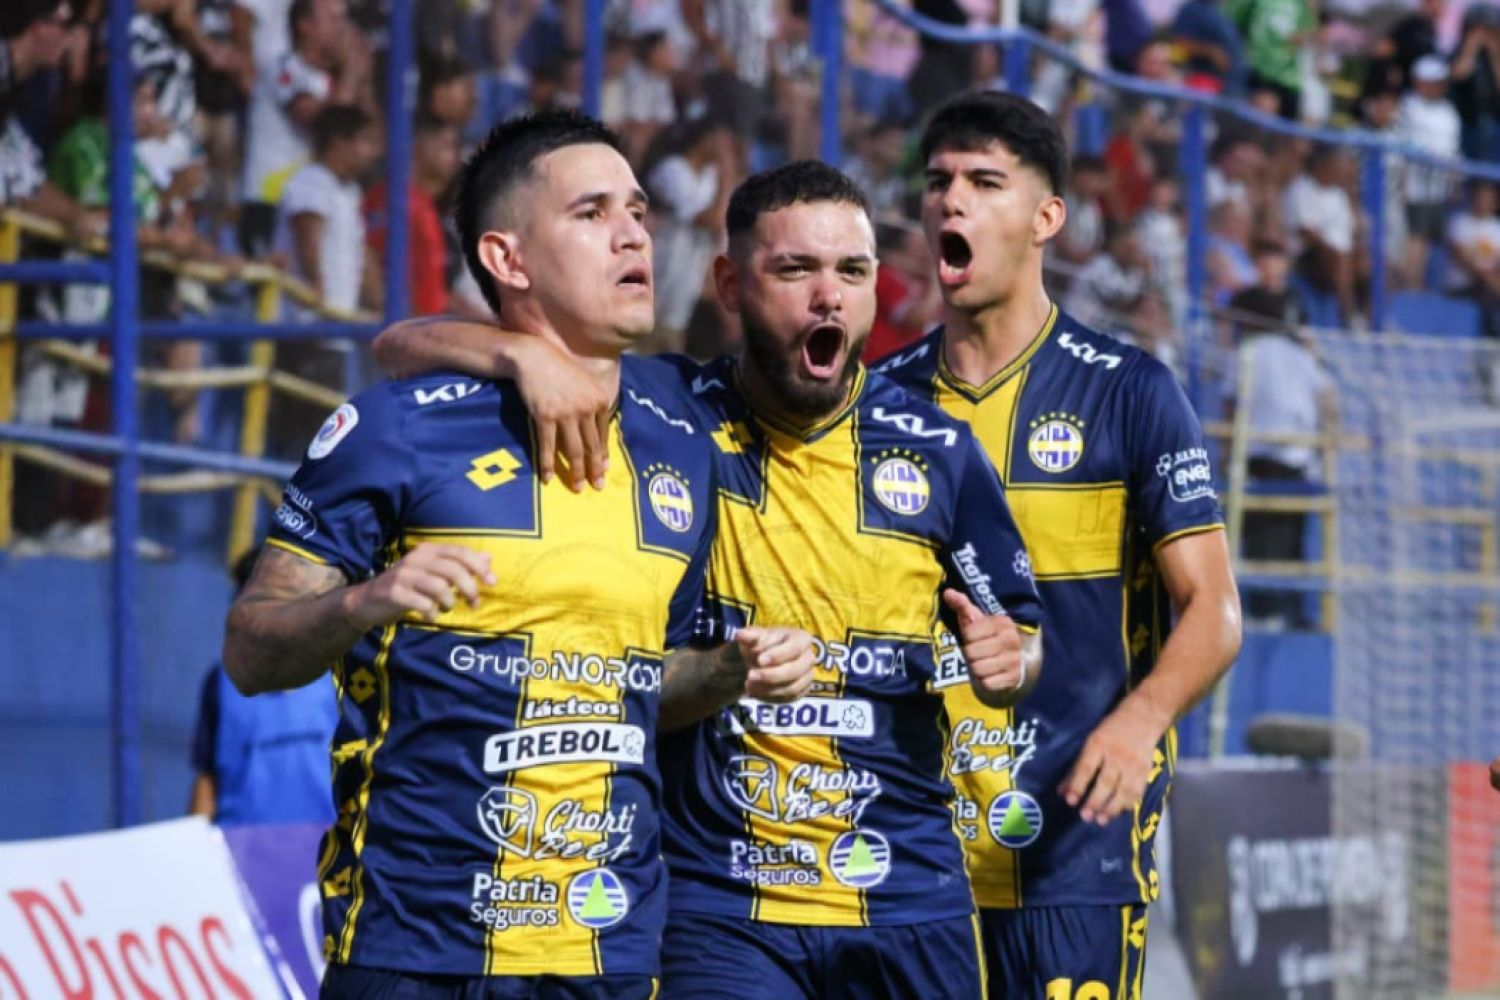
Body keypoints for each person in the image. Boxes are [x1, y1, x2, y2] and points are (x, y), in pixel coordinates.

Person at [369, 161, 1047, 999]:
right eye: (794, 270)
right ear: (730, 283)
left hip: (908, 892)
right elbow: (397, 346)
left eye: (852, 271)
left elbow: (1022, 641)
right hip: (719, 904)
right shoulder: (665, 410)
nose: (828, 298)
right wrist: (518, 355)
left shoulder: (938, 449)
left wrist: (1011, 660)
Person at [223, 109, 816, 996]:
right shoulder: (397, 428)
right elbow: (250, 651)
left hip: (608, 957)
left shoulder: (683, 433)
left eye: (638, 211)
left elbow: (641, 684)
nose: (632, 234)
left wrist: (729, 669)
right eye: (591, 213)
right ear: (508, 259)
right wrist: (363, 602)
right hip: (414, 955)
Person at [873, 90, 1241, 998]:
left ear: (1047, 219)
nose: (952, 200)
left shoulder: (1131, 393)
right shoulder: (874, 404)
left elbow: (1215, 610)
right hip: (905, 854)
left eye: (984, 182)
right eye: (939, 182)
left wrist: (1140, 721)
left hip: (1074, 847)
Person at [191, 545, 338, 823]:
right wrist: (193, 845)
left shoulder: (340, 675)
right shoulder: (221, 683)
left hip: (323, 845)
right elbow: (208, 780)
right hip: (239, 846)